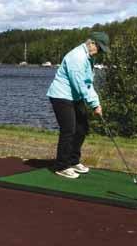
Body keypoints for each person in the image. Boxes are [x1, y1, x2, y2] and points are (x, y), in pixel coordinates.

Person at [46, 32, 110, 179]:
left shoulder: (88, 58)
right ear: (92, 43)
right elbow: (80, 84)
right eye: (99, 48)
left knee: (82, 128)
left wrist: (97, 103)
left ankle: (73, 160)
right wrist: (94, 104)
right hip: (61, 96)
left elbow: (88, 84)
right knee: (69, 130)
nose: (99, 52)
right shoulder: (77, 57)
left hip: (75, 96)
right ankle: (61, 165)